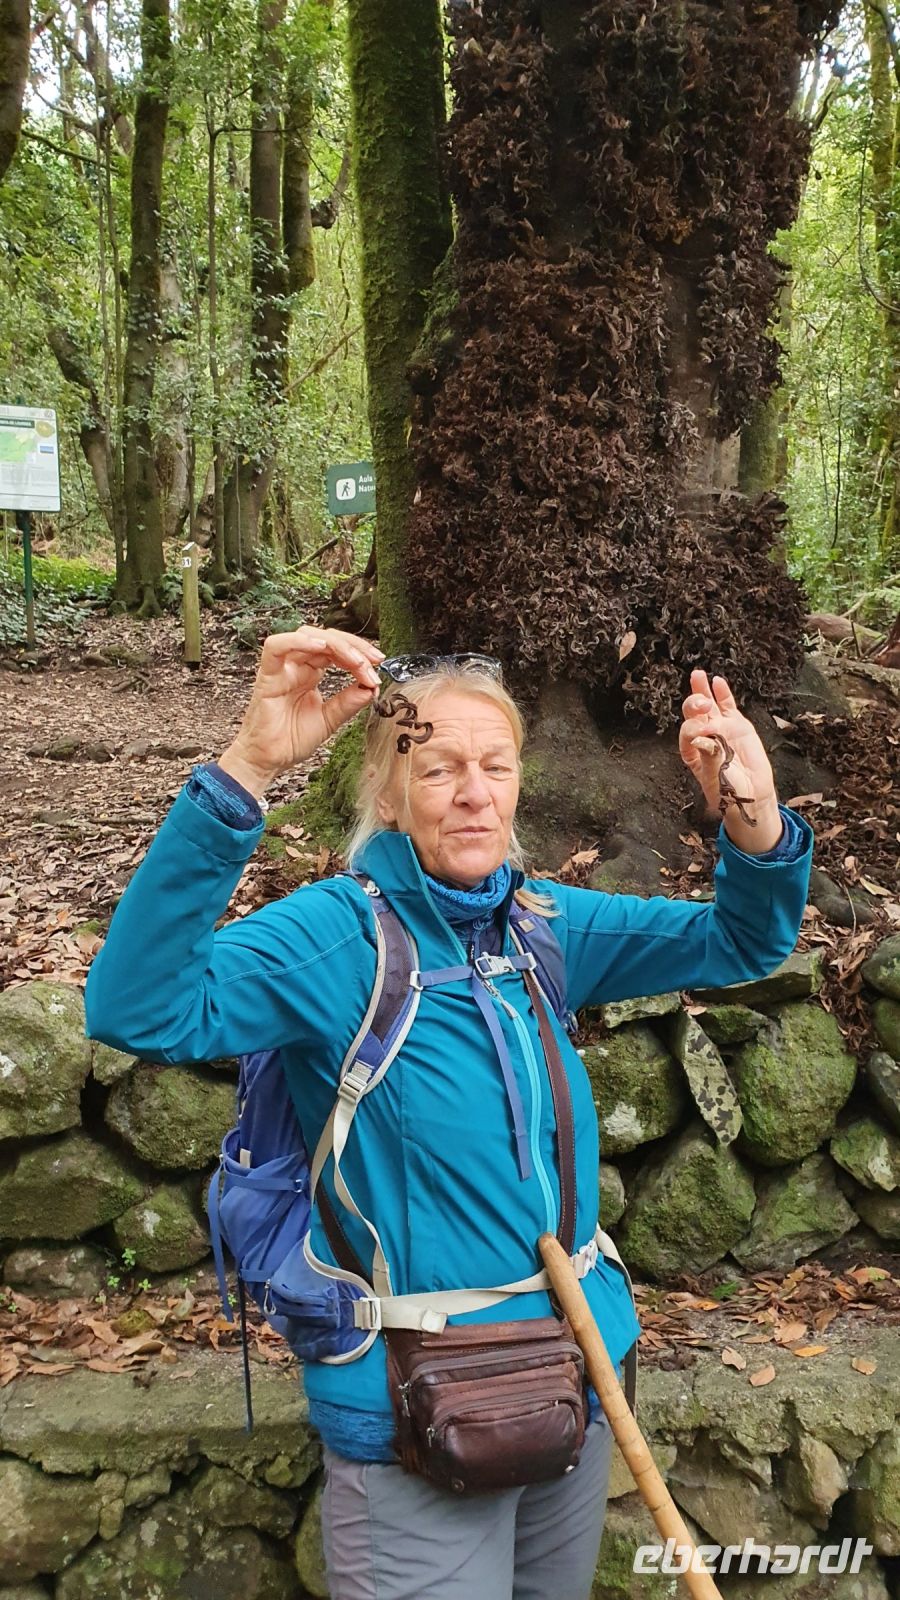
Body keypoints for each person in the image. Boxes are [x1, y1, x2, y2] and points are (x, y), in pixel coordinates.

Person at [85, 626, 813, 1600]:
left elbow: (744, 939)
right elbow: (136, 1007)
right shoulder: (335, 938)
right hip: (416, 1405)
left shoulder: (543, 926)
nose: (475, 790)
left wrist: (751, 807)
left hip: (576, 1379)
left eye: (496, 764)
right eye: (440, 768)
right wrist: (249, 765)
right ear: (389, 792)